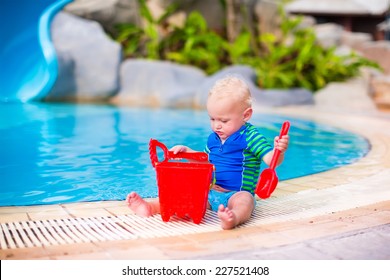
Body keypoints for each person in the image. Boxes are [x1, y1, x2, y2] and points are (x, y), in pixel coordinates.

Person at [126, 75, 289, 230]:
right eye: (212, 119)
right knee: (183, 196)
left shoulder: (251, 136)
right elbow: (206, 162)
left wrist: (278, 150)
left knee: (245, 201)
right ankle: (151, 207)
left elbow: (271, 160)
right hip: (210, 191)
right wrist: (187, 152)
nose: (217, 125)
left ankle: (233, 218)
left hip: (237, 193)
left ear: (245, 115)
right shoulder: (214, 138)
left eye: (224, 121)